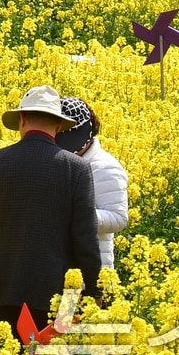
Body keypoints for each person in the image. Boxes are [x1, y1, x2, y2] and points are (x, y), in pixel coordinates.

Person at [0, 86, 101, 355]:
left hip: (2, 290)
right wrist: (94, 291)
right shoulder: (76, 169)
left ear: (21, 120)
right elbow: (85, 240)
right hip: (54, 296)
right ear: (58, 125)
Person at [56, 98, 129, 271]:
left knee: (74, 299)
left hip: (87, 274)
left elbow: (118, 218)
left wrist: (74, 213)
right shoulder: (55, 160)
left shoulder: (106, 167)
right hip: (54, 269)